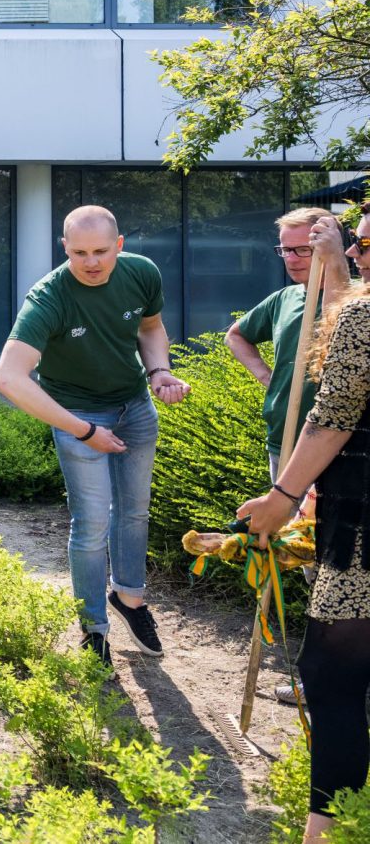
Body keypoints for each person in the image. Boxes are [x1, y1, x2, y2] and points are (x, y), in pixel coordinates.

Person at [0, 205, 190, 668]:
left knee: (134, 513)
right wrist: (84, 431)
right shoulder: (49, 297)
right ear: (65, 249)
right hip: (78, 415)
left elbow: (151, 327)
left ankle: (130, 600)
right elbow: (9, 378)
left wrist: (159, 371)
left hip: (136, 407)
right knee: (91, 527)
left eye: (102, 251)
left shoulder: (141, 273)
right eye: (80, 252)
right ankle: (93, 628)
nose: (92, 262)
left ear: (119, 245)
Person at [236, 278, 370, 844]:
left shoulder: (364, 317)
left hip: (361, 532)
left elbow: (332, 417)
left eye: (364, 244)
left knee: (333, 676)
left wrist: (281, 499)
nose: (359, 254)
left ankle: (323, 837)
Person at [229, 208, 352, 476]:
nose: (292, 259)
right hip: (283, 437)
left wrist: (336, 262)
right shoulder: (283, 299)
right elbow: (236, 336)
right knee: (284, 517)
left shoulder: (355, 299)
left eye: (303, 250)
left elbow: (341, 321)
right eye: (286, 250)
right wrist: (266, 376)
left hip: (337, 445)